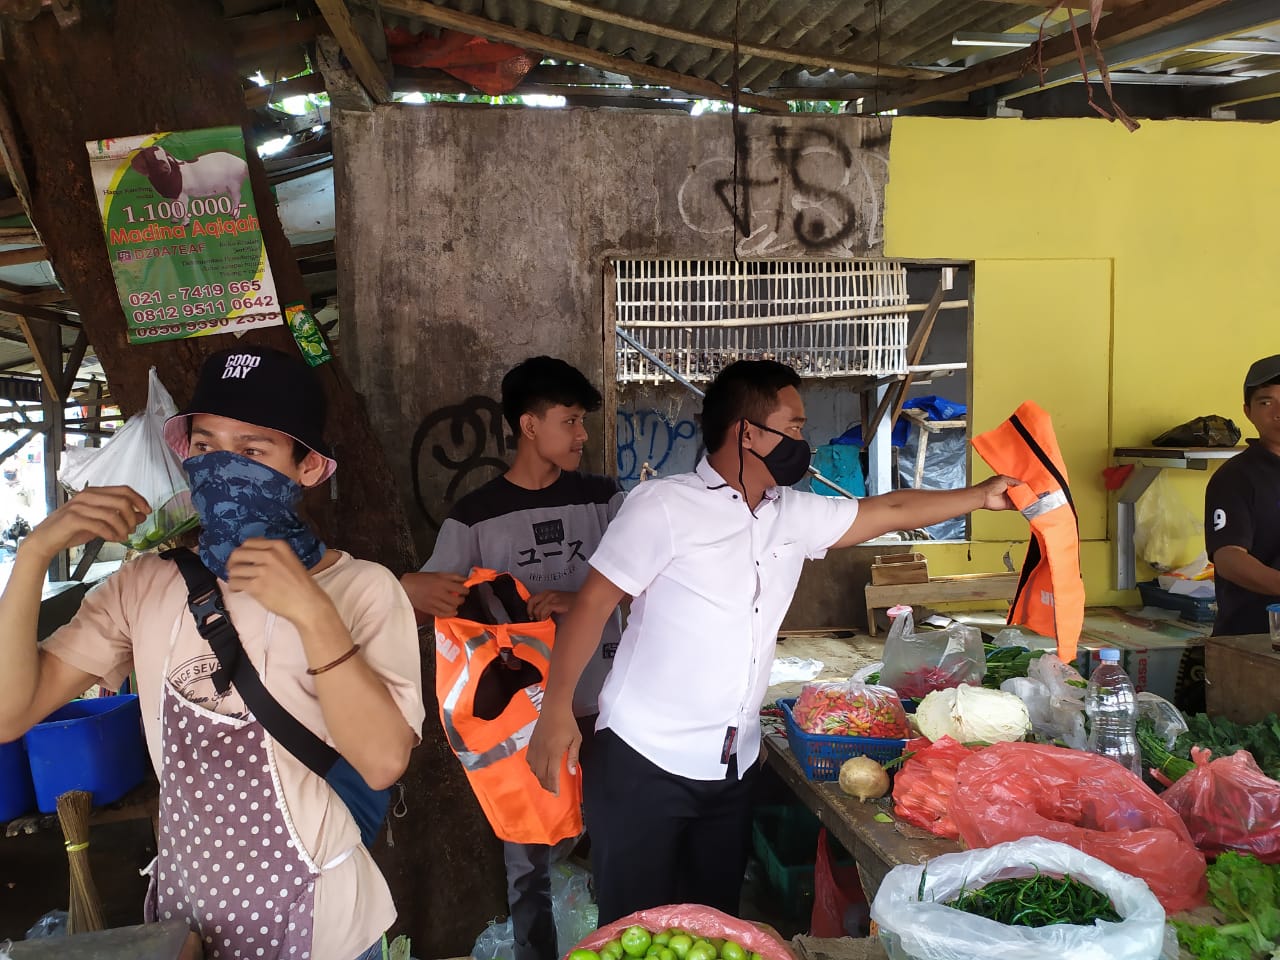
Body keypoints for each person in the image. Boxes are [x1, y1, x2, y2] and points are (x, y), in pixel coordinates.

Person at [525, 359, 1017, 923]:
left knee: (712, 927)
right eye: (797, 426)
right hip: (645, 760)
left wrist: (981, 496)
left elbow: (889, 510)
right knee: (634, 930)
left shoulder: (792, 514)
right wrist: (556, 709)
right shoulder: (664, 506)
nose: (804, 441)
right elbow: (592, 603)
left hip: (733, 765)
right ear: (748, 433)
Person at [0, 346, 424, 960]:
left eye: (252, 452)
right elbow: (11, 713)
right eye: (205, 446)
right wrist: (35, 554)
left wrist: (311, 613)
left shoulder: (362, 590)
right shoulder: (145, 584)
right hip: (187, 923)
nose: (222, 467)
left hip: (322, 923)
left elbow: (384, 762)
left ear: (307, 469)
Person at [400, 356, 624, 960]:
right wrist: (480, 603)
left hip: (608, 706)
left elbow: (656, 577)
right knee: (530, 861)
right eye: (570, 421)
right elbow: (429, 604)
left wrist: (584, 601)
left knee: (616, 845)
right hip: (523, 722)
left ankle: (620, 945)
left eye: (582, 423)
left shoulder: (606, 500)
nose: (582, 435)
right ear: (529, 426)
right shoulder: (474, 517)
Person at [1204, 354, 1280, 637]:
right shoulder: (1236, 477)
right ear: (1248, 411)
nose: (1279, 411)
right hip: (1254, 641)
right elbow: (1229, 558)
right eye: (1266, 401)